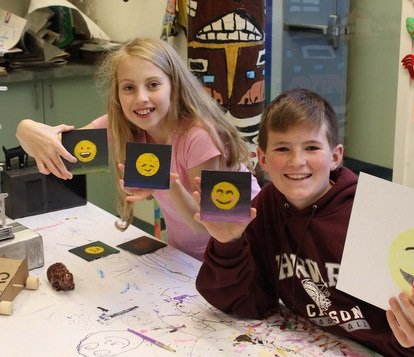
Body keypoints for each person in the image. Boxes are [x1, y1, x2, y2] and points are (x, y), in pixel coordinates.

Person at [193, 88, 414, 355]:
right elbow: (249, 303)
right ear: (263, 160)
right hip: (314, 344)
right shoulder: (267, 206)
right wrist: (227, 243)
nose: (297, 161)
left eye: (312, 148)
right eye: (282, 149)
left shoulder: (377, 213)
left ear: (335, 156)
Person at [16, 37, 260, 261]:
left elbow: (205, 224)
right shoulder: (124, 124)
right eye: (129, 87)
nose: (141, 98)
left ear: (175, 86)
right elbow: (67, 152)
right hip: (185, 254)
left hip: (241, 249)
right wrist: (24, 128)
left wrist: (168, 183)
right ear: (118, 94)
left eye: (153, 84)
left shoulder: (199, 135)